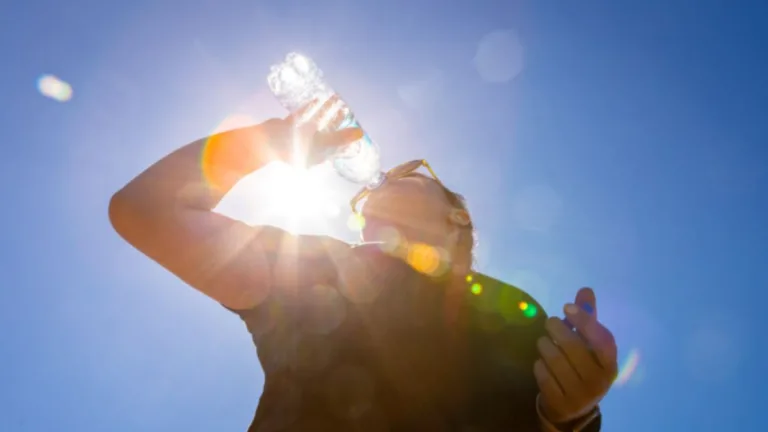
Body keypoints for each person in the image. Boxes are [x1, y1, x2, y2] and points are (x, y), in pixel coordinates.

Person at [109, 97, 618, 431]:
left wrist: (571, 413)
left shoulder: (512, 308)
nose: (379, 182)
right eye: (367, 196)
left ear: (457, 216)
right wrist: (261, 143)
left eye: (408, 172)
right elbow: (147, 211)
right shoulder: (318, 269)